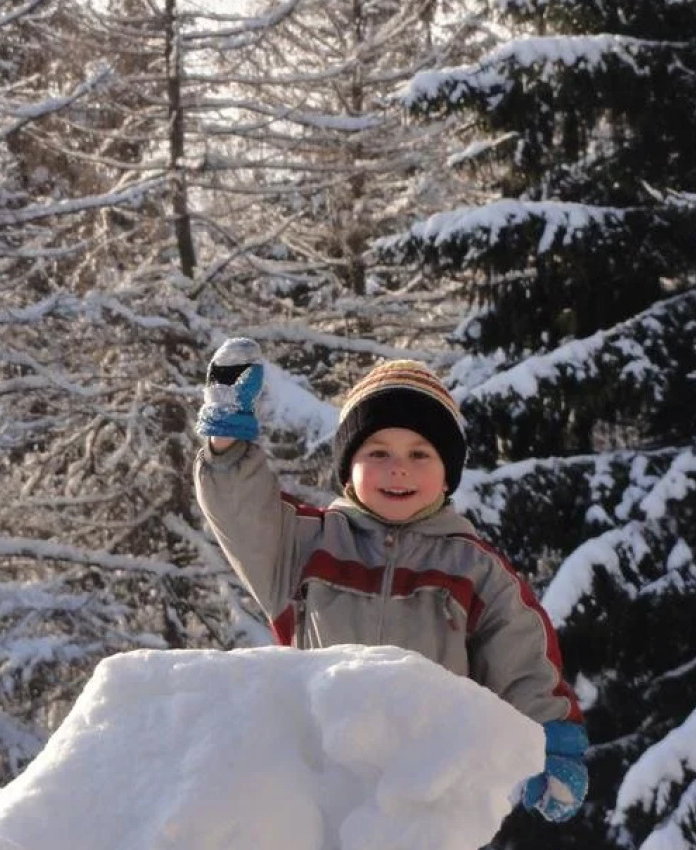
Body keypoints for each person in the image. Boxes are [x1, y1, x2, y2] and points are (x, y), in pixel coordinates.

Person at [193, 337, 588, 822]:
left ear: (448, 475)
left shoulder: (475, 569)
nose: (398, 466)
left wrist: (550, 744)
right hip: (313, 799)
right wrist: (227, 442)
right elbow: (242, 513)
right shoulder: (306, 547)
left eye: (420, 453)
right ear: (348, 470)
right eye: (377, 451)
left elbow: (522, 659)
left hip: (429, 805)